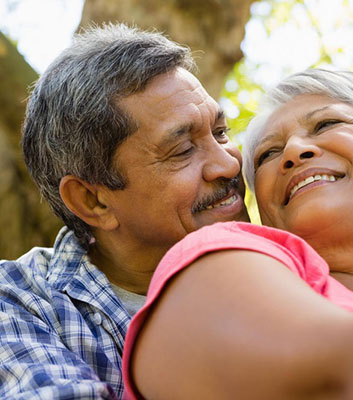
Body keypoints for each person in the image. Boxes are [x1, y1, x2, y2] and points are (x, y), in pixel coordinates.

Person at [123, 69, 353, 399]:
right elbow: (343, 373)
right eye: (268, 154)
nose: (294, 151)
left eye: (327, 124)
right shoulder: (211, 263)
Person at [0, 23, 249, 399]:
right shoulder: (20, 301)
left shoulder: (301, 258)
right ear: (92, 201)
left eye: (220, 133)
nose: (228, 165)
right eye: (182, 151)